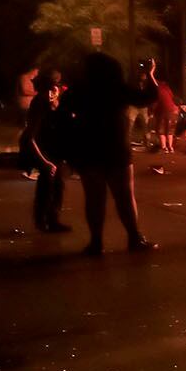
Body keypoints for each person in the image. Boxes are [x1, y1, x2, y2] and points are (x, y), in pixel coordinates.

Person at [60, 54, 159, 254]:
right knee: (124, 196)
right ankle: (134, 238)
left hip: (89, 149)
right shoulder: (117, 89)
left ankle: (96, 242)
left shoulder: (79, 90)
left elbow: (63, 116)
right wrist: (150, 74)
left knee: (94, 198)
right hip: (116, 149)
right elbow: (149, 96)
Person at [22, 70, 70, 233]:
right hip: (45, 152)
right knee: (47, 187)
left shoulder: (52, 101)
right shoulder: (40, 103)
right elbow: (29, 137)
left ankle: (52, 220)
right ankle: (43, 221)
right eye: (53, 86)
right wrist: (44, 162)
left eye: (56, 87)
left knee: (57, 187)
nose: (55, 90)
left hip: (54, 151)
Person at [151, 69, 181, 154]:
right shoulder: (167, 88)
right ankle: (170, 147)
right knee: (170, 131)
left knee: (161, 131)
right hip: (174, 111)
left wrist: (152, 71)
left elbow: (156, 102)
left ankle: (164, 148)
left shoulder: (158, 87)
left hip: (165, 111)